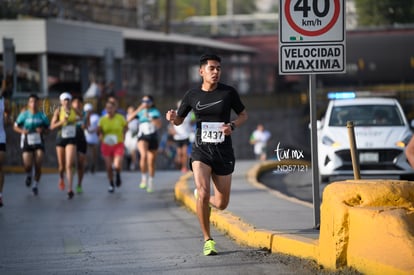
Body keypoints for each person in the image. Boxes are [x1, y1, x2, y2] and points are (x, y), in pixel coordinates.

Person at [165, 54, 248, 256]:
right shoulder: (192, 95)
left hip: (223, 151)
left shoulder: (229, 92)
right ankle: (207, 239)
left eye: (218, 68)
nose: (216, 72)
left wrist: (232, 126)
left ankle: (203, 199)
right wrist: (173, 118)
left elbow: (243, 115)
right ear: (201, 71)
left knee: (221, 203)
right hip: (201, 150)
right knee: (202, 191)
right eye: (211, 68)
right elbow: (179, 121)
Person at [13, 94, 50, 196]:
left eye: (35, 102)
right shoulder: (24, 115)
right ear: (28, 103)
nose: (33, 104)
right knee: (28, 165)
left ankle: (35, 185)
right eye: (31, 102)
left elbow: (48, 129)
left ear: (38, 103)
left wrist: (42, 130)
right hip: (27, 142)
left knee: (38, 164)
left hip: (39, 142)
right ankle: (29, 174)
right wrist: (23, 131)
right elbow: (15, 127)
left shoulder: (42, 116)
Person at [128, 95, 162, 193]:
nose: (145, 102)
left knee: (151, 161)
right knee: (143, 156)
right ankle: (143, 178)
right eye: (143, 101)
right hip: (142, 136)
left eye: (147, 101)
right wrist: (139, 108)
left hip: (153, 136)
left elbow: (159, 125)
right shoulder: (140, 112)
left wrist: (150, 118)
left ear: (152, 102)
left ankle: (150, 181)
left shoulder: (155, 112)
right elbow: (129, 119)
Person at [50, 92, 80, 199]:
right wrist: (62, 122)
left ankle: (70, 189)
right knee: (61, 166)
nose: (66, 102)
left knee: (69, 164)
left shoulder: (74, 110)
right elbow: (52, 126)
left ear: (70, 101)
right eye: (64, 100)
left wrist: (78, 120)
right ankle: (61, 177)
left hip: (71, 139)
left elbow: (82, 118)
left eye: (68, 100)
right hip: (61, 139)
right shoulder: (58, 111)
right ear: (61, 102)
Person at [98, 100, 127, 193]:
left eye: (111, 108)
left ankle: (118, 174)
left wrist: (124, 135)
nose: (109, 110)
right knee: (109, 167)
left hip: (118, 143)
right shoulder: (102, 119)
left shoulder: (120, 118)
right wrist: (100, 135)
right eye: (107, 108)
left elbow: (126, 127)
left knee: (117, 165)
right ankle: (111, 183)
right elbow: (99, 130)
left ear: (115, 109)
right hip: (106, 144)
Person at [171, 100, 195, 173]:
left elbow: (193, 122)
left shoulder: (190, 113)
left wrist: (191, 128)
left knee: (185, 152)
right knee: (179, 153)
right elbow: (171, 123)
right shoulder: (175, 112)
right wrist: (172, 130)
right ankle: (179, 164)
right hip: (178, 136)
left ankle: (184, 167)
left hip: (186, 135)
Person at [72, 96, 88, 194]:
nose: (77, 104)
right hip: (72, 138)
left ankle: (79, 184)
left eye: (79, 103)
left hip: (82, 138)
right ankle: (72, 166)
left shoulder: (85, 114)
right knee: (72, 159)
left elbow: (86, 125)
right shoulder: (69, 113)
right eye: (75, 102)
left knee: (81, 164)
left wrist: (84, 125)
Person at [0, 78, 11, 207]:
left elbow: (8, 121)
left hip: (0, 137)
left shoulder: (3, 102)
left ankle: (0, 195)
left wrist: (8, 119)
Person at [83, 103, 100, 173]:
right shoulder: (83, 117)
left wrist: (93, 130)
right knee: (85, 152)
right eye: (86, 111)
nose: (88, 112)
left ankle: (93, 165)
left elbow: (98, 126)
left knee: (94, 153)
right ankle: (86, 165)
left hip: (94, 136)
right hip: (86, 136)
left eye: (89, 110)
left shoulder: (96, 117)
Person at [124, 105, 139, 171]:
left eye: (133, 111)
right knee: (127, 151)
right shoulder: (126, 117)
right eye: (130, 111)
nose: (131, 112)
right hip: (128, 136)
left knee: (133, 150)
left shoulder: (137, 118)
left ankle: (133, 164)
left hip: (135, 136)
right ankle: (128, 164)